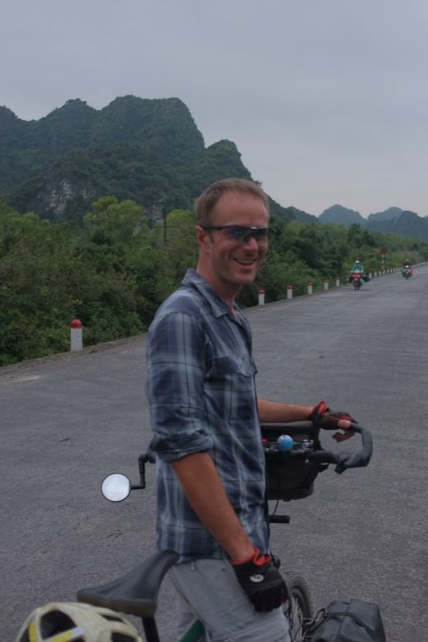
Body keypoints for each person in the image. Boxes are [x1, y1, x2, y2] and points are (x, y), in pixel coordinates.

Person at [146, 178, 354, 641]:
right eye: (236, 232)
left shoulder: (231, 317)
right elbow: (182, 445)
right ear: (204, 236)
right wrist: (245, 556)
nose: (252, 245)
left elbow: (236, 406)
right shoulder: (184, 318)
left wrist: (312, 412)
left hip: (237, 528)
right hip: (211, 545)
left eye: (260, 233)